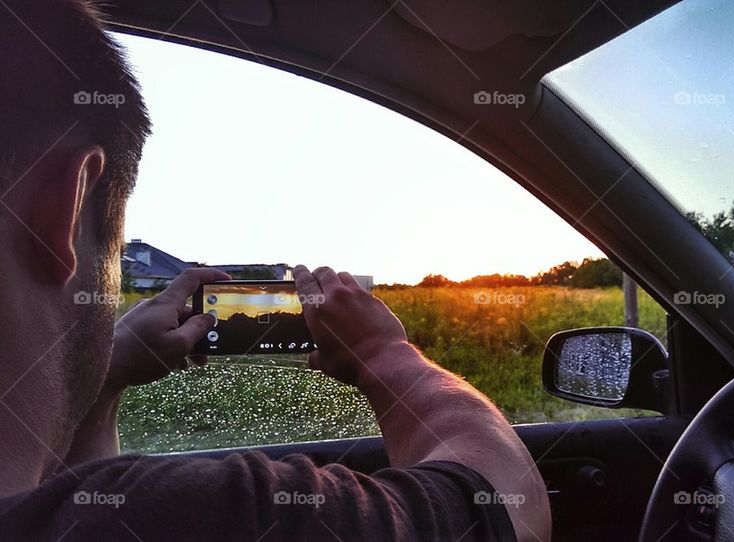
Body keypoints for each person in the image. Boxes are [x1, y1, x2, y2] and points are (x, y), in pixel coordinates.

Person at [0, 1, 550, 540]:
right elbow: (509, 504)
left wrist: (107, 371)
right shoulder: (206, 515)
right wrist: (385, 354)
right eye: (112, 238)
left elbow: (70, 494)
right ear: (65, 205)